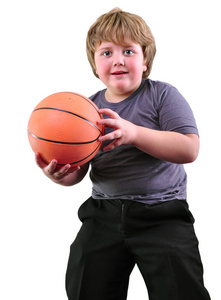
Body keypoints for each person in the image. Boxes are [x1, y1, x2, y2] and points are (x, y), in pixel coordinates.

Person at [35, 8, 211, 300]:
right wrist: (60, 174)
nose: (117, 60)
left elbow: (189, 148)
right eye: (106, 52)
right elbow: (78, 173)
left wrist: (134, 133)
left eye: (128, 51)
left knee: (181, 291)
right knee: (85, 287)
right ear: (94, 62)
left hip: (162, 215)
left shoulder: (162, 96)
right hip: (103, 213)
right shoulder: (84, 110)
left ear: (145, 61)